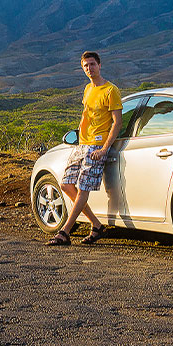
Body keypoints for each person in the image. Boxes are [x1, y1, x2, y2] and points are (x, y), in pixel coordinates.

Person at [45, 51, 123, 246]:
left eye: (92, 64)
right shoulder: (88, 88)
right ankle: (97, 225)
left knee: (82, 189)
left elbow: (117, 122)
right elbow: (85, 114)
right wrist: (79, 136)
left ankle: (65, 231)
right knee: (65, 185)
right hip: (82, 145)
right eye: (86, 66)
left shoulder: (110, 90)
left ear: (99, 65)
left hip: (97, 147)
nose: (89, 68)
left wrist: (104, 149)